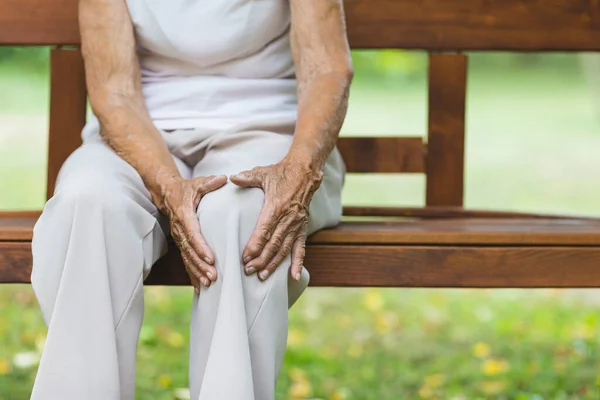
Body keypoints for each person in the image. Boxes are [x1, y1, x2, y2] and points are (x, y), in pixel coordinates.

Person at [29, 0, 353, 399]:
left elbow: (328, 67)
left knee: (245, 214)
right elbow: (114, 90)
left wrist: (298, 170)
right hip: (135, 135)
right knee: (86, 205)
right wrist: (166, 184)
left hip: (268, 130)